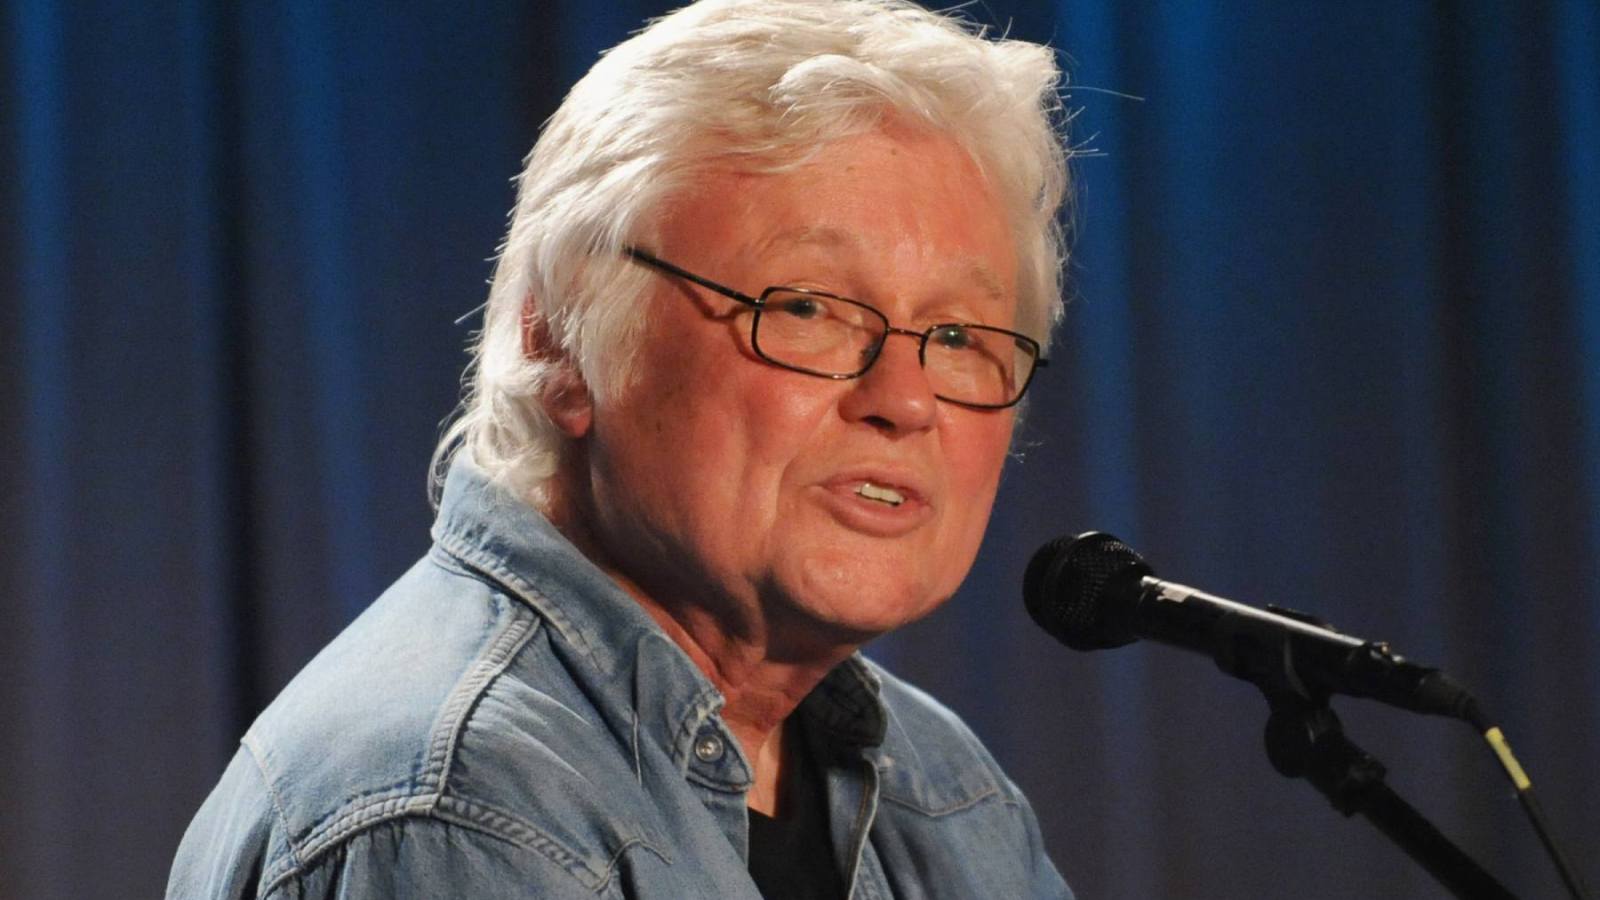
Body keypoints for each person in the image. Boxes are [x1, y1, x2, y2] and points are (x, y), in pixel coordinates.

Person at [168, 0, 1073, 896]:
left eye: (960, 336)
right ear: (561, 341)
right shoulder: (457, 812)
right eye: (806, 309)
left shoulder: (948, 794)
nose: (906, 400)